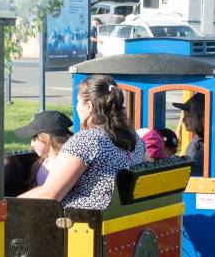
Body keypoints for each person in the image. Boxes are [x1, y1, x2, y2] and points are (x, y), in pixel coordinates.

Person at [20, 75, 143, 208]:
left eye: (78, 101)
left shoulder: (87, 141)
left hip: (81, 218)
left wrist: (8, 203)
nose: (77, 106)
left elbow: (49, 194)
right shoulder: (134, 138)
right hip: (122, 214)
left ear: (89, 106)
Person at [177, 93, 215, 177]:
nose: (183, 120)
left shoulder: (214, 151)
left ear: (207, 118)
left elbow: (188, 180)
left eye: (189, 116)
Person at [15, 110, 73, 190]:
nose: (32, 144)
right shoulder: (43, 162)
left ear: (46, 138)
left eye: (34, 139)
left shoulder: (64, 166)